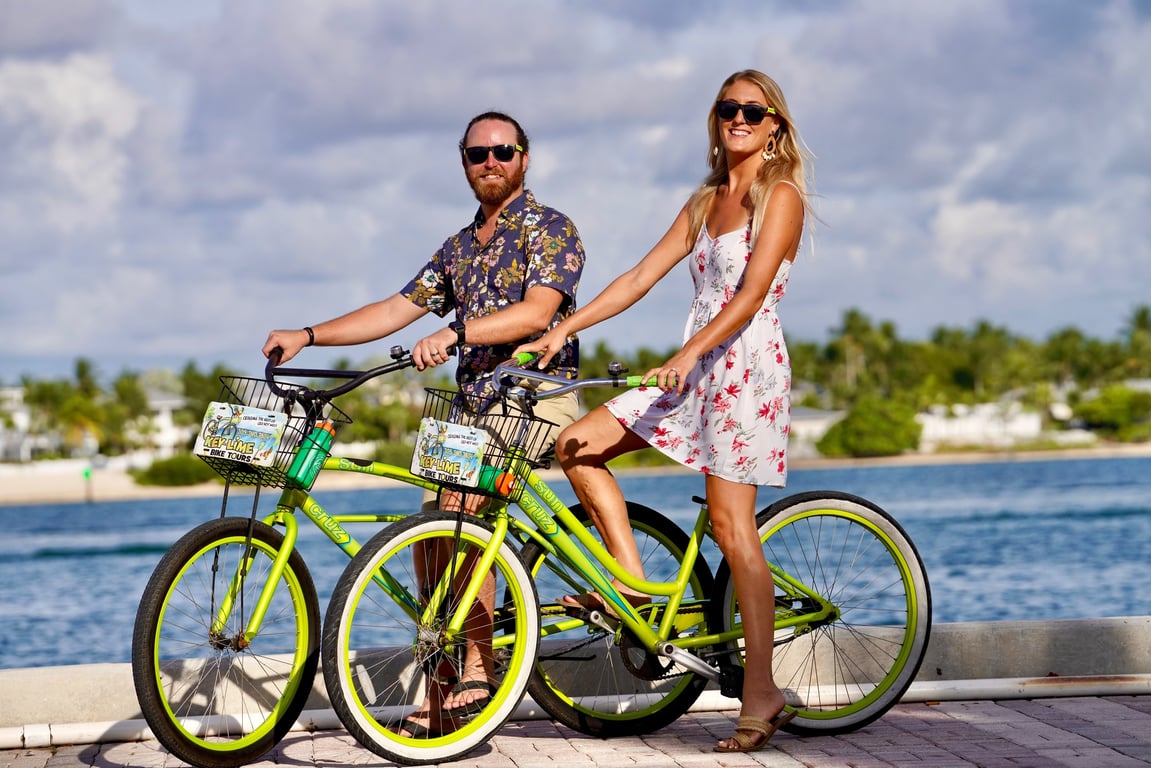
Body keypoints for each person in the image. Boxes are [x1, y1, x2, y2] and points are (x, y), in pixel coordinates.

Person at [514, 69, 812, 753]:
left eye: (752, 110)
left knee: (734, 531)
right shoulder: (706, 199)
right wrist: (563, 327)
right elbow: (638, 278)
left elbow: (748, 296)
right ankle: (637, 588)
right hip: (691, 364)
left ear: (774, 126)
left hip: (743, 365)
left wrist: (687, 356)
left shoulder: (782, 196)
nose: (737, 118)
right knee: (577, 446)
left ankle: (761, 691)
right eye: (726, 108)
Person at [263, 111, 585, 736]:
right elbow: (392, 309)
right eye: (476, 154)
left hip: (534, 398)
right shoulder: (458, 248)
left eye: (502, 151)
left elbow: (535, 313)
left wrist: (456, 332)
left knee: (460, 506)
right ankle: (445, 686)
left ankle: (478, 665)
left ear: (525, 157)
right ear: (463, 163)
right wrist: (307, 335)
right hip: (472, 409)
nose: (489, 163)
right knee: (431, 522)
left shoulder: (551, 229)